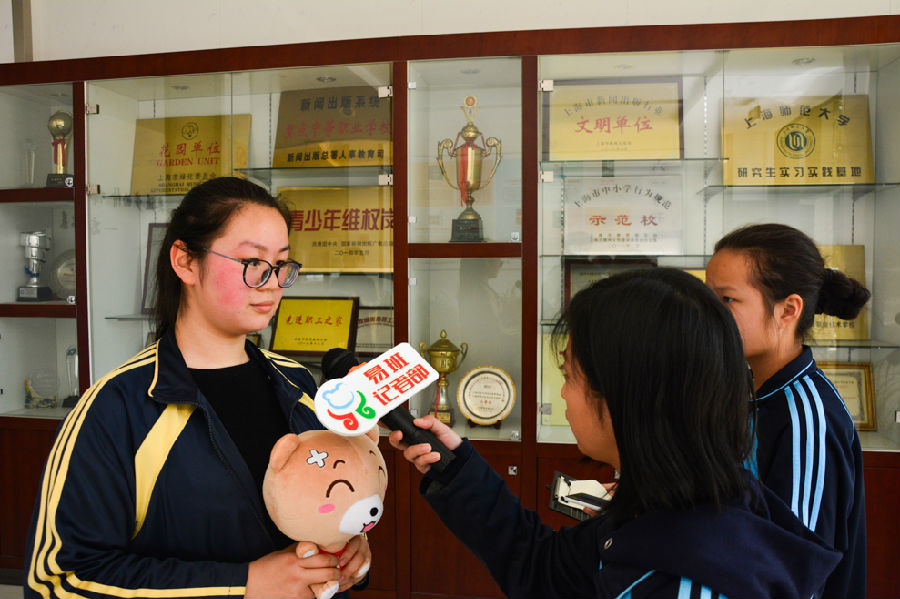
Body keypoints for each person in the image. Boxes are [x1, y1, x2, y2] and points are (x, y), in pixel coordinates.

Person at [389, 268, 840, 598]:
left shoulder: (688, 580)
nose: (562, 394)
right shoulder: (669, 506)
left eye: (569, 375)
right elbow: (542, 568)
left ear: (627, 398)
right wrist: (458, 469)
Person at [25, 177, 372, 599]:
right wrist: (245, 584)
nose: (272, 282)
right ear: (185, 261)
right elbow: (59, 581)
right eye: (252, 262)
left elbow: (327, 496)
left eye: (281, 264)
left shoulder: (296, 382)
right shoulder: (117, 408)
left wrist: (346, 543)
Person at [706, 223, 869, 599]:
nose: (708, 314)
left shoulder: (804, 419)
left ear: (788, 310)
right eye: (708, 297)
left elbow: (795, 575)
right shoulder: (751, 389)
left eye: (727, 300)